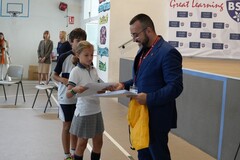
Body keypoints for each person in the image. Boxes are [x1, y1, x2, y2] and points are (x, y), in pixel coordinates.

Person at [114, 13, 183, 160]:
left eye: (135, 35)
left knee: (158, 154)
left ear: (149, 30)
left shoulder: (168, 53)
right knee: (143, 154)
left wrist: (149, 98)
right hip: (141, 115)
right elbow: (140, 79)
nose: (133, 39)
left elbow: (175, 87)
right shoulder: (142, 50)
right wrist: (123, 85)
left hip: (157, 117)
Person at [66, 41, 104, 160]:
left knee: (98, 143)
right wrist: (75, 90)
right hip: (84, 112)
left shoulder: (93, 70)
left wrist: (105, 88)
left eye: (91, 55)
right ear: (78, 55)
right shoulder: (75, 72)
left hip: (96, 111)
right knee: (82, 144)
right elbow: (68, 94)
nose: (89, 58)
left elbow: (98, 85)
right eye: (86, 55)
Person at [53, 28, 87, 160]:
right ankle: (67, 155)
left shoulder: (85, 57)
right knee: (67, 125)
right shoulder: (63, 57)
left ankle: (74, 153)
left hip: (80, 98)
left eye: (82, 41)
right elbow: (54, 75)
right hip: (65, 97)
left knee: (76, 126)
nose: (80, 44)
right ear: (71, 42)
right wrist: (63, 80)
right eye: (77, 41)